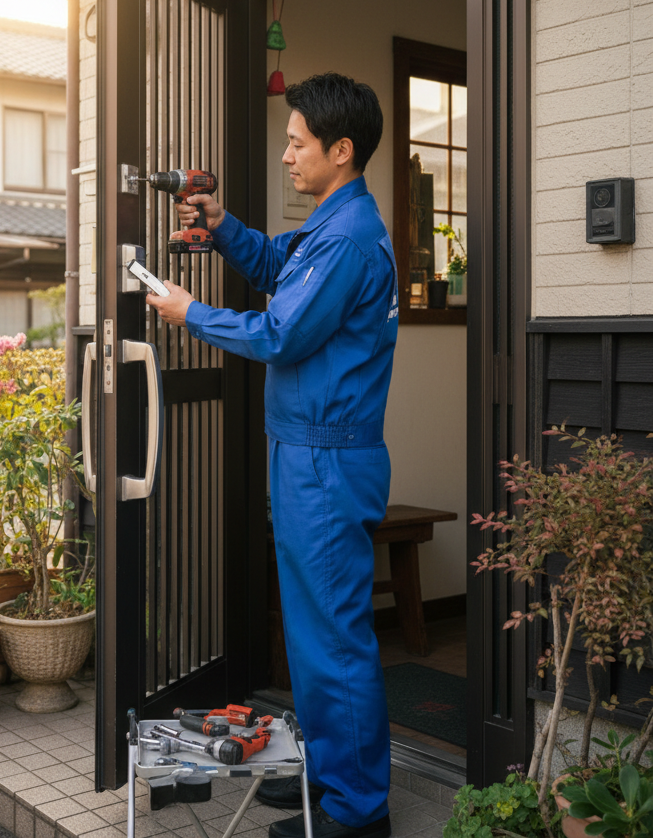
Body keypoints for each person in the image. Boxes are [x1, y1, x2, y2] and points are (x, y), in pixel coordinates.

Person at [147, 72, 398, 838]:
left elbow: (281, 333)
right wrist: (221, 224)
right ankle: (330, 772)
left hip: (325, 462)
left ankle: (359, 814)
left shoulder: (351, 238)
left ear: (341, 149)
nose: (287, 154)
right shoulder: (330, 224)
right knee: (311, 632)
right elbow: (271, 263)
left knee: (333, 637)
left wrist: (191, 313)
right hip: (305, 454)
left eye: (297, 143)